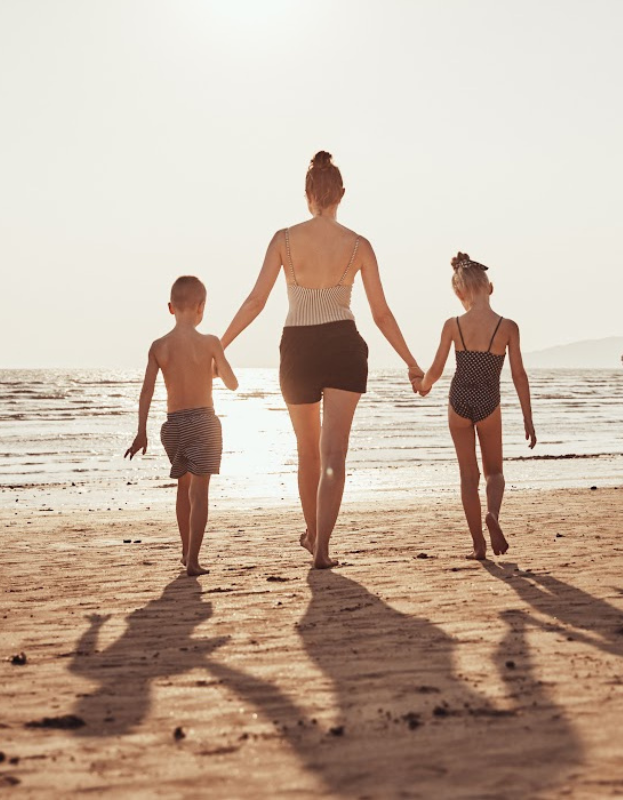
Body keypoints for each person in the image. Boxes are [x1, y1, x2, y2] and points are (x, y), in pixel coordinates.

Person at [221, 151, 422, 569]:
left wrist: (220, 345)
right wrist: (411, 362)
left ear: (307, 194)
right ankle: (324, 548)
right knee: (334, 456)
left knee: (308, 452)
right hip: (344, 346)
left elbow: (255, 300)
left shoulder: (284, 239)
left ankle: (313, 537)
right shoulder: (359, 245)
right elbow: (382, 314)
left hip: (298, 349)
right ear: (342, 194)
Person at [419, 252, 537, 560]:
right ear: (491, 288)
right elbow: (519, 375)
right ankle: (493, 515)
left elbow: (435, 371)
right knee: (494, 473)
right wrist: (528, 418)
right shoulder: (508, 327)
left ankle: (478, 546)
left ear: (459, 292)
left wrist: (423, 386)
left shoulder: (453, 325)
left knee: (467, 478)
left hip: (458, 400)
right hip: (488, 400)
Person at [125, 275, 238, 576]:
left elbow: (147, 391)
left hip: (173, 426)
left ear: (170, 308)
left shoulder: (159, 346)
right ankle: (193, 561)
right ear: (201, 308)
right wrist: (213, 369)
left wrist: (141, 431)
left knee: (183, 488)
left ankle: (185, 551)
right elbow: (233, 383)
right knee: (199, 493)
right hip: (203, 422)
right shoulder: (210, 342)